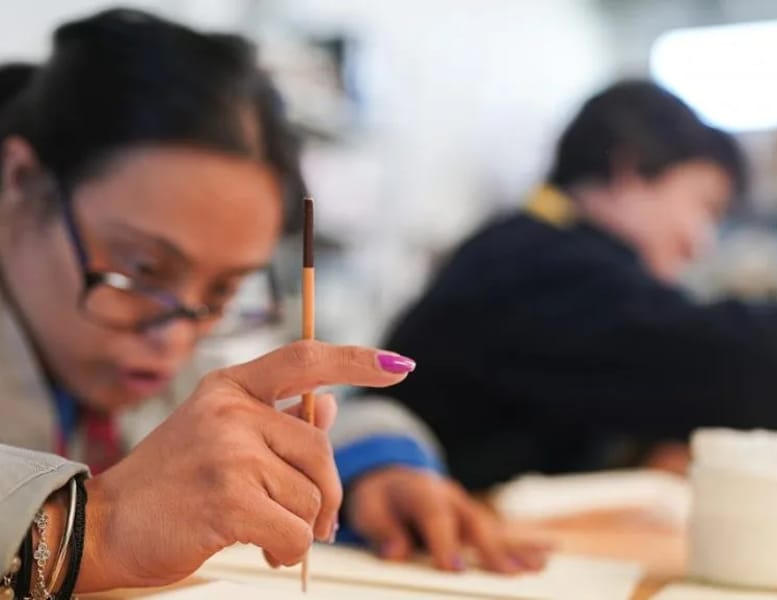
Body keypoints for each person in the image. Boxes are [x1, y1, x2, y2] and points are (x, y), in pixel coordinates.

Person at [0, 9, 545, 597]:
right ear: (21, 181)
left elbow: (291, 424)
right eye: (142, 268)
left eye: (224, 291)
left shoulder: (157, 354)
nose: (176, 338)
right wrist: (95, 525)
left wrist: (375, 470)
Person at [363, 79, 777, 493]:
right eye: (704, 206)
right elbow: (744, 365)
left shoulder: (525, 245)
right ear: (630, 169)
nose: (700, 244)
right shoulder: (535, 264)